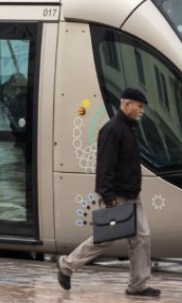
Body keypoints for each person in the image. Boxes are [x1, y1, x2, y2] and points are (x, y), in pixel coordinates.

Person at [57, 88, 159, 298]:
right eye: (139, 106)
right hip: (117, 196)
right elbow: (105, 165)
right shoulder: (112, 130)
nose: (141, 111)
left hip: (132, 195)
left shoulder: (129, 128)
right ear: (126, 105)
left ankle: (137, 285)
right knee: (105, 239)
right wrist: (108, 196)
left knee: (142, 237)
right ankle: (66, 265)